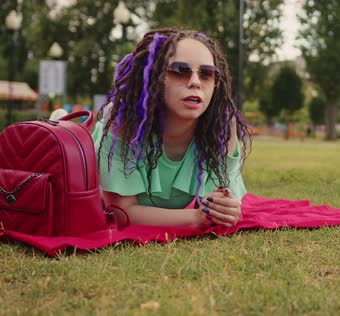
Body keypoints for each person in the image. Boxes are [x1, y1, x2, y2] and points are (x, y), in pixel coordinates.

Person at [92, 29, 250, 229]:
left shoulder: (222, 126)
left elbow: (217, 204)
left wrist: (225, 208)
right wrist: (195, 218)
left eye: (207, 73)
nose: (195, 82)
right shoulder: (124, 121)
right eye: (180, 70)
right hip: (85, 171)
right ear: (153, 76)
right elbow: (124, 213)